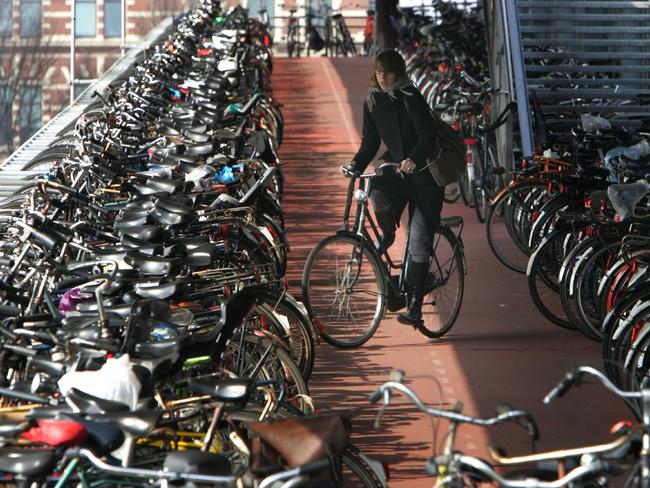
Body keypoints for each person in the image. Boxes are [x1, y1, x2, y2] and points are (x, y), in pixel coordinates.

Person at [341, 49, 444, 326]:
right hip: (398, 174)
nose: (382, 76)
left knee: (419, 238)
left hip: (425, 177)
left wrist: (413, 158)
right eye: (378, 70)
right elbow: (371, 142)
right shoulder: (373, 101)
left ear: (398, 72)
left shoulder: (410, 96)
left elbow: (427, 134)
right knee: (376, 192)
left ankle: (414, 308)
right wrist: (355, 165)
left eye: (387, 71)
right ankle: (386, 236)